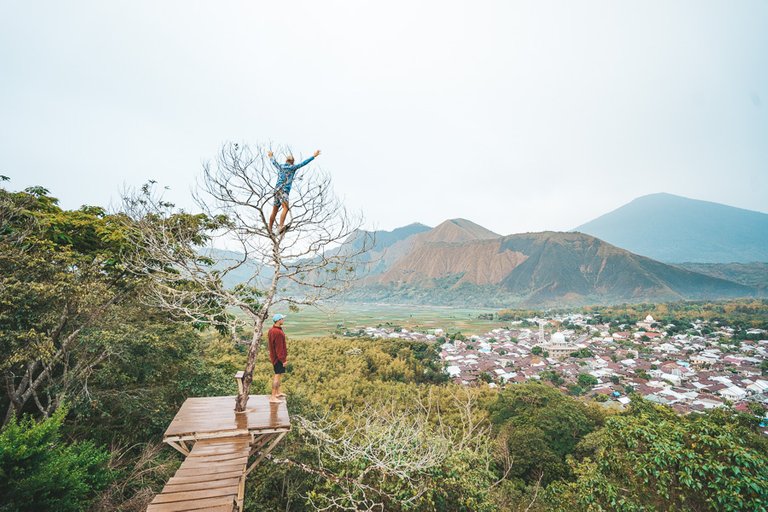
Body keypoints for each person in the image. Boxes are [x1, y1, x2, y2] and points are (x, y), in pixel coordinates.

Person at [267, 149, 321, 233]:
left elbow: (273, 162)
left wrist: (270, 156)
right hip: (284, 190)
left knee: (274, 211)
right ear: (292, 162)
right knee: (286, 208)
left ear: (286, 161)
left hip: (276, 190)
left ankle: (269, 230)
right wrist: (313, 156)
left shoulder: (280, 166)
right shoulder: (293, 167)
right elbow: (303, 163)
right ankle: (280, 226)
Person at [267, 313, 289, 403]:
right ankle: (273, 397)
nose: (283, 320)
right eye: (282, 319)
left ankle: (277, 392)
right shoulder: (278, 332)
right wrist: (283, 360)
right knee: (277, 376)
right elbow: (279, 347)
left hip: (275, 357)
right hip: (278, 358)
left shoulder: (272, 330)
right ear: (278, 320)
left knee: (279, 374)